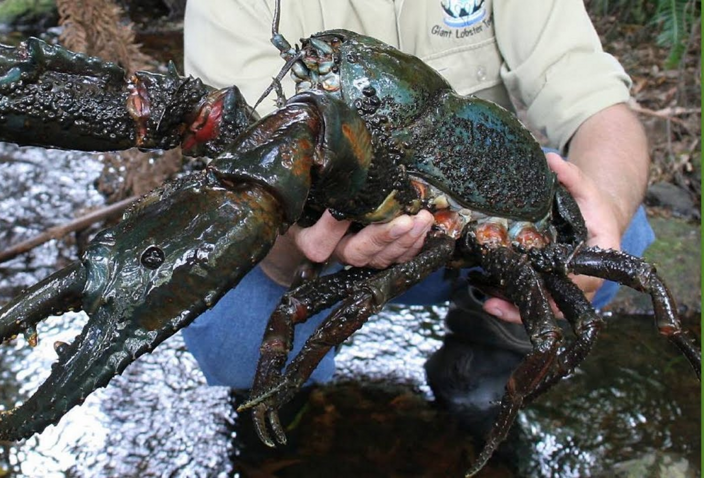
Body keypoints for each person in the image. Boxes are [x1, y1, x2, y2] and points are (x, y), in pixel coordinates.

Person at [179, 0, 655, 395]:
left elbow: (598, 105)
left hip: (480, 233)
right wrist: (296, 244)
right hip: (334, 231)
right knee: (235, 333)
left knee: (611, 234)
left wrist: (607, 211)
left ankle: (487, 359)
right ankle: (280, 408)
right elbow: (249, 182)